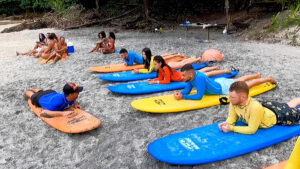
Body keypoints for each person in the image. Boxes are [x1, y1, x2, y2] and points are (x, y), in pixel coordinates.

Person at [218, 81, 300, 135]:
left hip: (278, 116)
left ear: (242, 97)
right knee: (288, 105)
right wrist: (226, 124)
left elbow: (251, 130)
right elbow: (231, 119)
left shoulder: (255, 107)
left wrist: (231, 128)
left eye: (232, 97)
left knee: (294, 112)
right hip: (267, 107)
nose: (229, 99)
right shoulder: (234, 103)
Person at [174, 64, 276, 100]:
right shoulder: (189, 78)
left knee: (246, 85)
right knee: (239, 80)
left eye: (183, 75)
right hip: (218, 82)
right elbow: (187, 89)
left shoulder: (199, 77)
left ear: (190, 74)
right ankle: (256, 75)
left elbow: (199, 96)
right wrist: (180, 93)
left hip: (223, 88)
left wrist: (183, 97)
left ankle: (267, 79)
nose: (182, 77)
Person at [148, 56, 231, 85]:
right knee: (202, 71)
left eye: (155, 64)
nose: (154, 66)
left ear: (160, 63)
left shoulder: (165, 68)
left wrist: (155, 82)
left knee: (206, 74)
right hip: (183, 74)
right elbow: (160, 78)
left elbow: (167, 81)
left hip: (184, 76)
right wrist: (153, 80)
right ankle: (215, 67)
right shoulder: (160, 69)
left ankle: (224, 71)